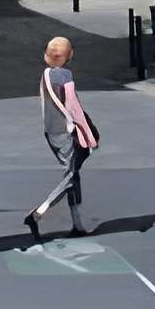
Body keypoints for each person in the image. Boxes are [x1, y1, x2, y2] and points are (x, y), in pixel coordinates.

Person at [24, 35, 99, 240]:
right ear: (68, 55)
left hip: (50, 132)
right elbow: (74, 107)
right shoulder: (65, 75)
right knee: (70, 176)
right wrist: (89, 134)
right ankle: (38, 213)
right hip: (66, 133)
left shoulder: (46, 74)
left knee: (73, 174)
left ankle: (78, 225)